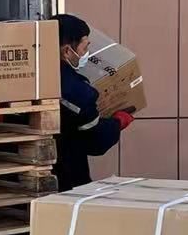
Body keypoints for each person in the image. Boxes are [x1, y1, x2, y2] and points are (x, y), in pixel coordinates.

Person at [53, 13, 133, 190]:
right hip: (65, 180)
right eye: (84, 48)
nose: (86, 54)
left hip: (22, 177)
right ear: (67, 51)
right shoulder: (77, 91)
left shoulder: (30, 79)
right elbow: (95, 140)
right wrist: (118, 122)